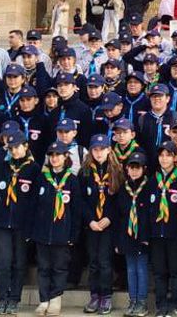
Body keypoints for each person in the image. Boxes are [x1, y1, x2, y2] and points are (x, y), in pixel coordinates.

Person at [0, 132, 36, 314]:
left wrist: (31, 226)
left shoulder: (33, 168)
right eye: (11, 148)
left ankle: (14, 299)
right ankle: (2, 298)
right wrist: (2, 151)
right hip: (3, 221)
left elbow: (35, 201)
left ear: (26, 146)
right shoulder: (3, 165)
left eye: (17, 147)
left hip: (22, 224)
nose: (14, 151)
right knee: (3, 262)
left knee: (19, 263)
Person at [33, 140, 83, 317]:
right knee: (43, 267)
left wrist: (73, 234)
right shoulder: (42, 178)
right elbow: (34, 206)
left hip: (62, 234)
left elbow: (76, 211)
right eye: (51, 155)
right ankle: (43, 300)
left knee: (59, 267)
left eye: (58, 155)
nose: (54, 158)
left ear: (65, 156)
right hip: (42, 232)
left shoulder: (72, 180)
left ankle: (55, 299)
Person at [80, 134, 119, 315]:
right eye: (95, 149)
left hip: (108, 225)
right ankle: (94, 295)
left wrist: (109, 218)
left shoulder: (117, 171)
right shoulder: (85, 172)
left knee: (104, 261)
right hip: (92, 225)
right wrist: (90, 220)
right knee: (93, 261)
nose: (98, 153)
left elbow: (119, 200)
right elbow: (81, 200)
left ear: (109, 150)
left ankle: (106, 296)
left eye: (102, 149)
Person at [149, 143, 177, 317]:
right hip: (157, 233)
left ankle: (174, 305)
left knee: (176, 271)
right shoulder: (153, 179)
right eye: (161, 155)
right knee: (159, 272)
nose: (164, 159)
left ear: (175, 157)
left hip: (175, 233)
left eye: (168, 155)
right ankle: (161, 304)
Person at [116, 151, 155, 317]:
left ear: (144, 169)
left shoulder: (149, 186)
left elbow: (150, 214)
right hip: (127, 235)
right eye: (131, 167)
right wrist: (119, 240)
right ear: (126, 169)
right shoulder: (123, 188)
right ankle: (132, 300)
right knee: (131, 269)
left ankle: (142, 302)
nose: (134, 171)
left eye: (137, 168)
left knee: (141, 268)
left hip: (142, 236)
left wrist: (146, 237)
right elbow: (119, 216)